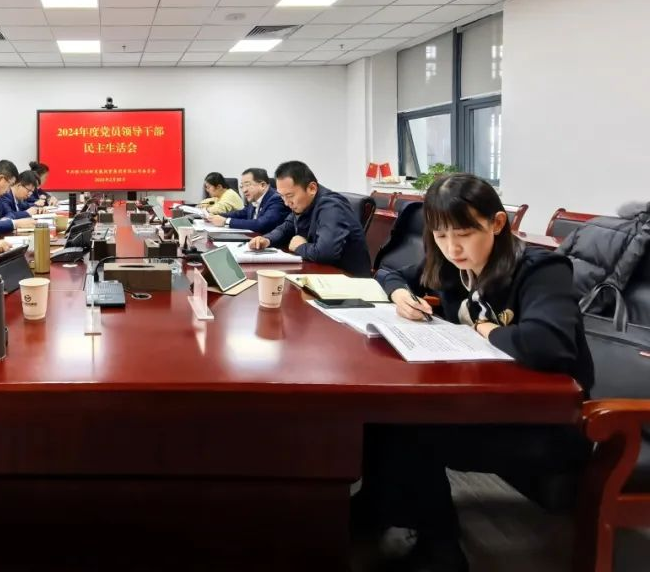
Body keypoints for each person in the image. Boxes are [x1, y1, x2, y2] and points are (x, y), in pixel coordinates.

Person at [356, 173, 594, 572]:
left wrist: (483, 328)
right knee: (380, 415)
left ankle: (441, 551)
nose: (452, 247)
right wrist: (400, 295)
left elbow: (546, 343)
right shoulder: (451, 265)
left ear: (497, 224)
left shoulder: (541, 269)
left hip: (547, 422)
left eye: (465, 234)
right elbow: (389, 273)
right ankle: (378, 510)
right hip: (490, 401)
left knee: (413, 432)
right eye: (441, 235)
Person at [248, 161, 371, 277]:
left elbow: (326, 253)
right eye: (282, 196)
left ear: (312, 188)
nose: (286, 202)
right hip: (323, 275)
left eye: (290, 195)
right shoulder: (303, 204)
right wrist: (267, 239)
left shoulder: (331, 206)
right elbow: (285, 228)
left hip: (349, 280)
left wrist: (300, 246)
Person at [207, 168, 287, 234]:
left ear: (262, 185)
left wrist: (226, 221)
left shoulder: (277, 199)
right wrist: (216, 216)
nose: (244, 190)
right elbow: (241, 213)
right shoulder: (255, 198)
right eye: (242, 186)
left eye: (247, 185)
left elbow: (261, 224)